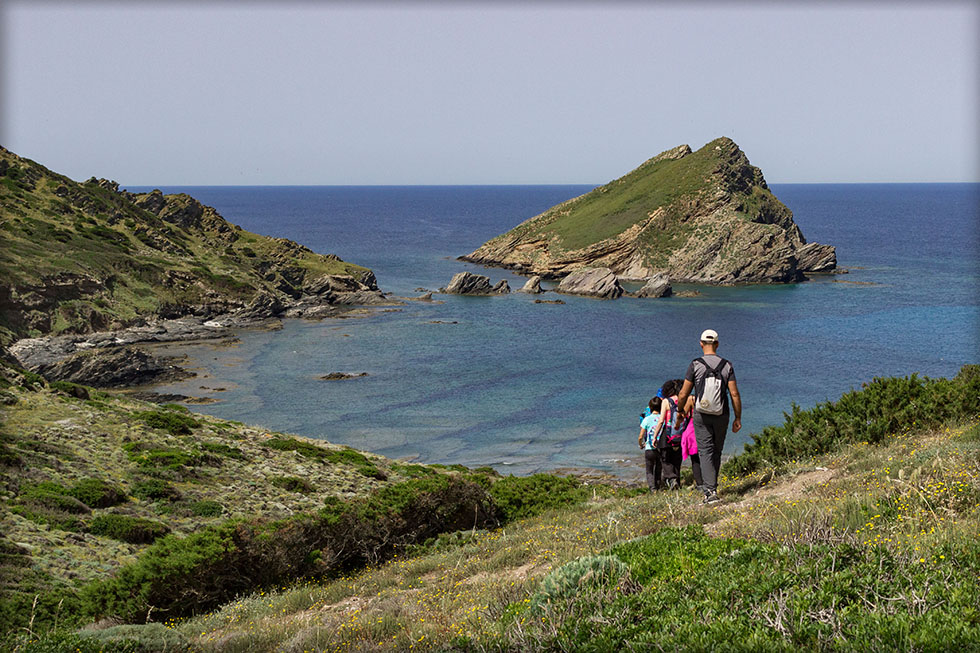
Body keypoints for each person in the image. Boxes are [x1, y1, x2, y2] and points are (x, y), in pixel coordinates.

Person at [674, 329, 741, 504]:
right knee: (717, 451)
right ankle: (712, 487)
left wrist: (680, 411)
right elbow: (734, 394)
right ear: (717, 344)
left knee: (705, 451)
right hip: (722, 413)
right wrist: (738, 418)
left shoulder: (696, 364)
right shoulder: (727, 365)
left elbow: (683, 394)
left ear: (701, 344)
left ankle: (710, 492)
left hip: (701, 414)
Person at [657, 379, 685, 490]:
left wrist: (655, 436)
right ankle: (677, 481)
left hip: (667, 434)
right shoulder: (685, 400)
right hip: (681, 434)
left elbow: (661, 421)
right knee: (677, 459)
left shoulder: (666, 401)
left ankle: (671, 478)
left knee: (665, 459)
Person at [638, 397, 663, 491]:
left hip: (649, 448)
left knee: (649, 470)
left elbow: (641, 436)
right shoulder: (662, 419)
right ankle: (658, 486)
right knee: (658, 468)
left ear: (650, 408)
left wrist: (641, 444)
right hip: (661, 447)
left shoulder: (647, 419)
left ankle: (652, 489)